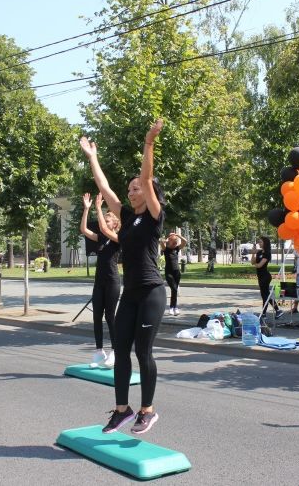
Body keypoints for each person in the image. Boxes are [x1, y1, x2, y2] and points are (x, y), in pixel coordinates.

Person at [80, 119, 166, 435]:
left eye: (136, 187)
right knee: (121, 351)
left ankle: (148, 410)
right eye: (129, 189)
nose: (131, 192)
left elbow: (146, 175)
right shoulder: (128, 218)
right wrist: (92, 158)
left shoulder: (155, 216)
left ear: (150, 192)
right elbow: (105, 188)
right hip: (130, 293)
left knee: (143, 352)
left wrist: (148, 143)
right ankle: (122, 410)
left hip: (152, 292)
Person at [79, 192, 121, 368]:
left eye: (108, 219)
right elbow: (84, 230)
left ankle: (115, 352)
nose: (104, 221)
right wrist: (87, 209)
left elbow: (103, 229)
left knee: (110, 317)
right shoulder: (102, 237)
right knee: (97, 316)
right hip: (99, 282)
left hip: (112, 282)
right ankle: (99, 352)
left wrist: (98, 207)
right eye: (104, 218)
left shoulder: (118, 238)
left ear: (116, 224)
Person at [250, 236, 283, 317]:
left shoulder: (267, 253)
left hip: (265, 276)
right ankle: (277, 310)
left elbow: (260, 265)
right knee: (265, 295)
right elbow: (252, 262)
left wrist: (255, 264)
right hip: (260, 276)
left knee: (265, 295)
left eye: (261, 242)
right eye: (259, 242)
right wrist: (253, 253)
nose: (259, 243)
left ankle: (264, 313)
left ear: (265, 243)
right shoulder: (259, 252)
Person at [162, 232, 188, 316]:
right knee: (174, 288)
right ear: (169, 241)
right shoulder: (166, 250)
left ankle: (174, 307)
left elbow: (185, 241)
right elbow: (161, 242)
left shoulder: (176, 249)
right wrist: (169, 238)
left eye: (175, 242)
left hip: (177, 272)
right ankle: (172, 308)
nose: (174, 244)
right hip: (169, 273)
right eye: (173, 242)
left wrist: (177, 235)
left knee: (175, 290)